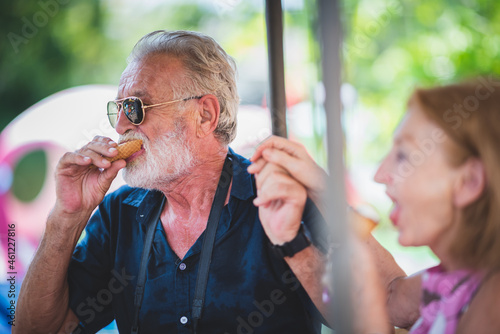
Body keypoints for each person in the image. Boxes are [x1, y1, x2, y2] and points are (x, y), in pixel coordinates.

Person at [15, 30, 333, 334]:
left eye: (136, 107)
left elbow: (355, 316)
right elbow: (40, 329)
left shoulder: (279, 195)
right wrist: (66, 218)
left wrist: (295, 244)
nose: (122, 124)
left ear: (205, 115)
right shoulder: (119, 213)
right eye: (119, 108)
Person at [249, 79, 500, 333]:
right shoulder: (459, 279)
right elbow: (390, 294)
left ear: (469, 182)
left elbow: (376, 301)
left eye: (404, 156)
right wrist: (310, 207)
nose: (379, 174)